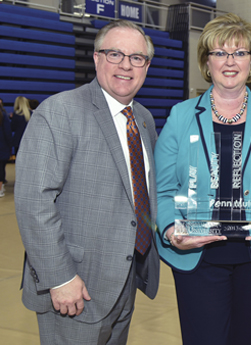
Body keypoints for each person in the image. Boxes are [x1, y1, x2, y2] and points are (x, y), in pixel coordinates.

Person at [155, 13, 251, 345]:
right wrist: (169, 230)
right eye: (220, 53)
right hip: (198, 256)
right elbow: (163, 189)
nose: (230, 61)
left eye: (239, 52)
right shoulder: (181, 115)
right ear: (207, 63)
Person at [15, 19, 160, 345]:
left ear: (147, 66)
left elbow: (140, 194)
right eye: (115, 54)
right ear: (97, 58)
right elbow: (33, 201)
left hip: (125, 281)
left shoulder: (144, 120)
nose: (126, 65)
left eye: (137, 58)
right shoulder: (59, 112)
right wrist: (60, 277)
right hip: (74, 287)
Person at [0, 97, 11, 197]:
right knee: (1, 168)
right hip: (2, 145)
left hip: (2, 145)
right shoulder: (3, 116)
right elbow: (7, 132)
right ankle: (0, 188)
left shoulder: (3, 116)